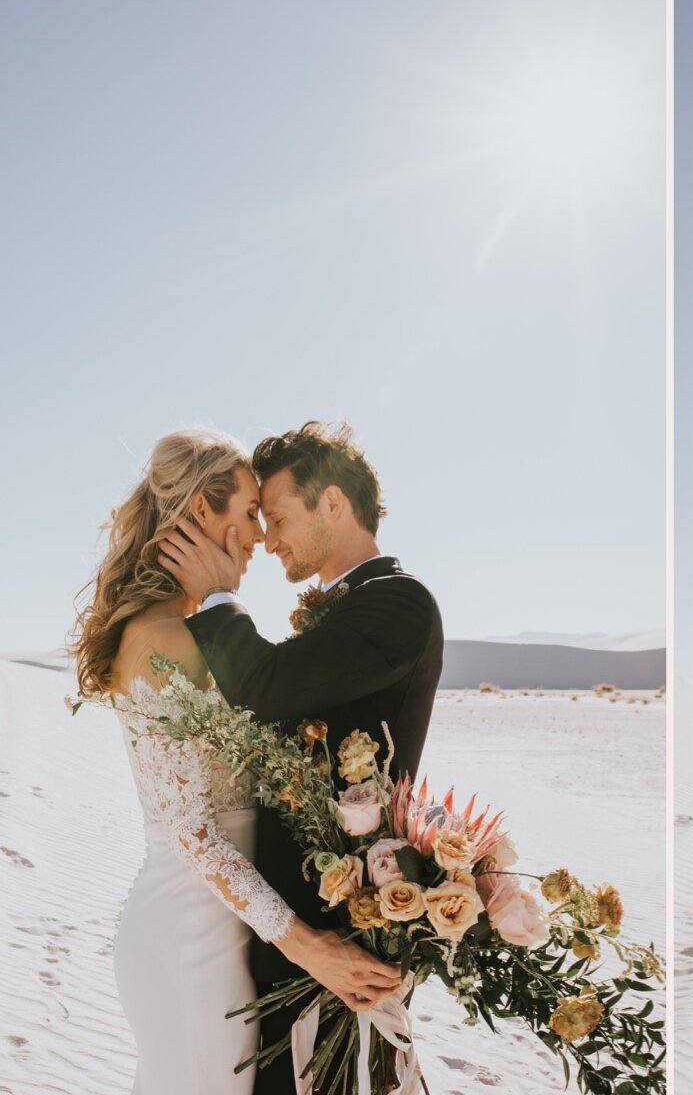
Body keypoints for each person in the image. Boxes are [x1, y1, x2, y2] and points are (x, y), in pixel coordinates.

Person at [70, 428, 402, 1095]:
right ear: (199, 513)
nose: (258, 535)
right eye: (249, 512)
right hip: (191, 939)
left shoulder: (192, 632)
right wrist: (308, 945)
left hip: (225, 930)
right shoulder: (162, 637)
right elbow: (192, 831)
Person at [159, 420, 444, 1095]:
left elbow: (265, 687)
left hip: (335, 943)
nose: (269, 536)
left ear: (335, 505)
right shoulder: (344, 612)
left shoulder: (398, 603)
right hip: (292, 935)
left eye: (278, 515)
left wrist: (217, 595)